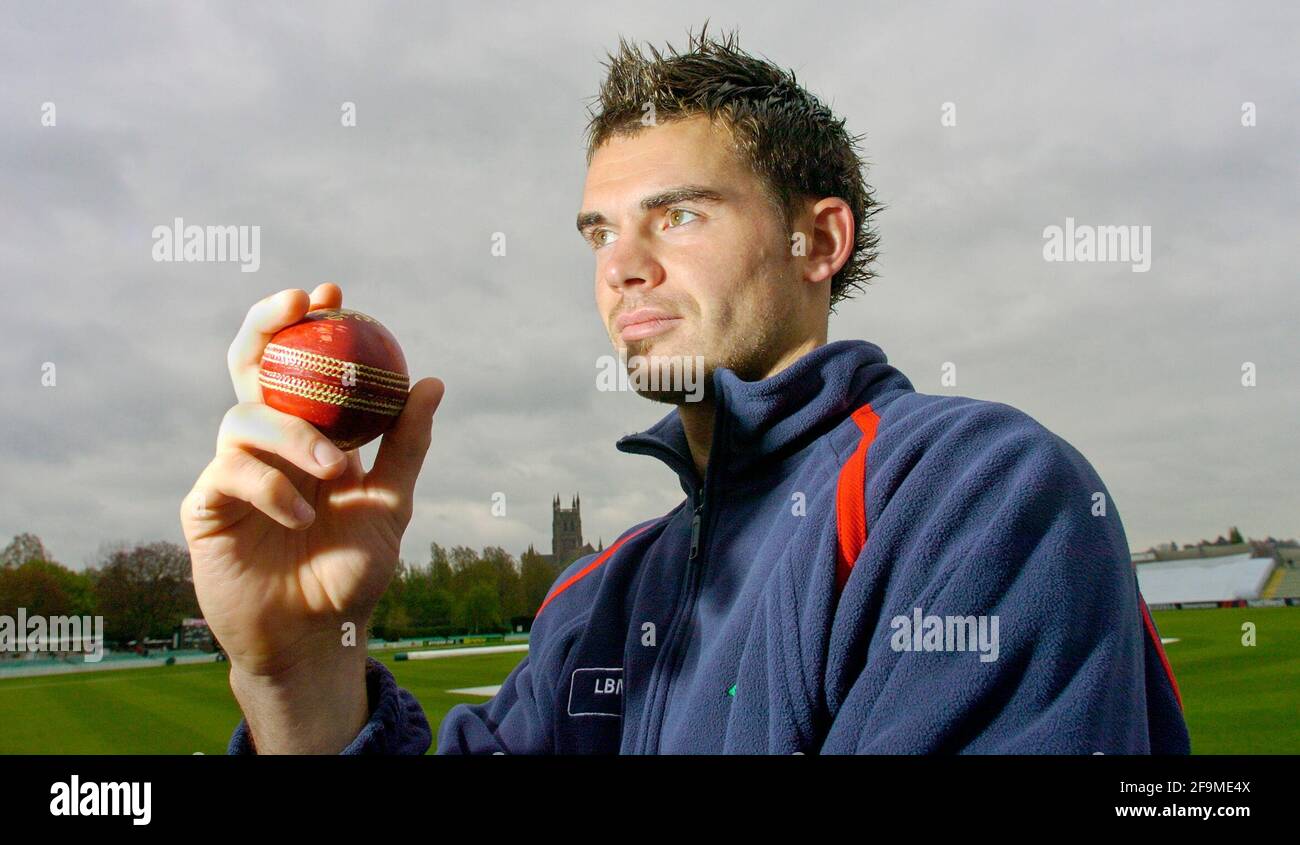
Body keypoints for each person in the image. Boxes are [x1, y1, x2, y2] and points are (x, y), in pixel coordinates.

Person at [181, 25, 1189, 755]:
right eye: (598, 231)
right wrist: (300, 668)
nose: (621, 266)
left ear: (818, 242)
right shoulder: (594, 599)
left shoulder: (971, 497)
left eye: (678, 217)